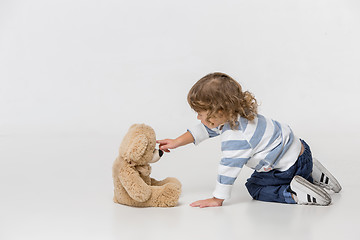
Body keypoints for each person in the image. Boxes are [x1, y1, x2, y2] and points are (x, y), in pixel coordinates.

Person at [157, 72, 342, 208]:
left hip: (287, 169)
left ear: (219, 112)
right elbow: (206, 129)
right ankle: (311, 171)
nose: (198, 118)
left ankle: (295, 194)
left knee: (255, 187)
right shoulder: (240, 114)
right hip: (303, 151)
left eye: (201, 114)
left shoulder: (236, 138)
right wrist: (176, 142)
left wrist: (217, 198)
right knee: (279, 163)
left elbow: (228, 169)